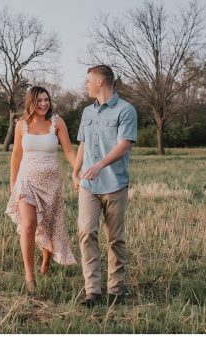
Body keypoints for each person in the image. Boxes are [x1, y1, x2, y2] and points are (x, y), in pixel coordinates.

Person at [74, 65, 138, 307]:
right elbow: (82, 144)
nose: (86, 85)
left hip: (115, 184)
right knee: (86, 233)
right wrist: (75, 171)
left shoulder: (126, 110)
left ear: (100, 82)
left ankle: (116, 290)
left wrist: (100, 165)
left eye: (88, 81)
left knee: (115, 239)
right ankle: (92, 290)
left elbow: (124, 145)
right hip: (88, 185)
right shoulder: (87, 112)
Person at [6, 86, 79, 293]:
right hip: (26, 182)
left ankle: (46, 262)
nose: (44, 104)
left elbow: (69, 151)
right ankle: (29, 277)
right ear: (31, 102)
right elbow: (17, 155)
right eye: (39, 100)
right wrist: (13, 183)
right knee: (29, 225)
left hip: (51, 184)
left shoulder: (57, 122)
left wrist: (78, 172)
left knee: (48, 225)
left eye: (46, 100)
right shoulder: (21, 125)